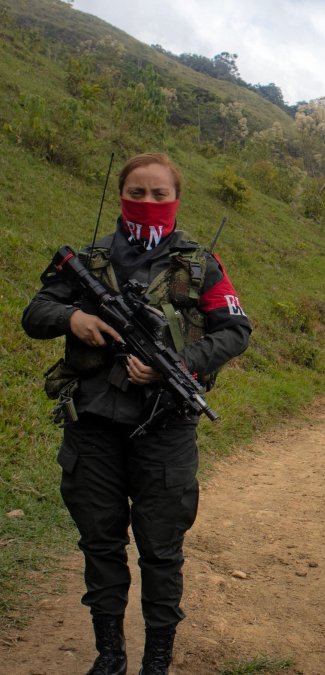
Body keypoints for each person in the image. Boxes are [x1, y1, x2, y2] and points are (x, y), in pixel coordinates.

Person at [22, 153, 252, 675]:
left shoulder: (199, 263)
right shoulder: (91, 258)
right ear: (123, 193)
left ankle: (157, 658)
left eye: (159, 194)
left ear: (176, 198)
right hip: (95, 425)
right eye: (137, 192)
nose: (147, 202)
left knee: (160, 549)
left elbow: (235, 331)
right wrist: (74, 316)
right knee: (101, 543)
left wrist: (180, 365)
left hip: (165, 428)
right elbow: (35, 314)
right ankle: (109, 655)